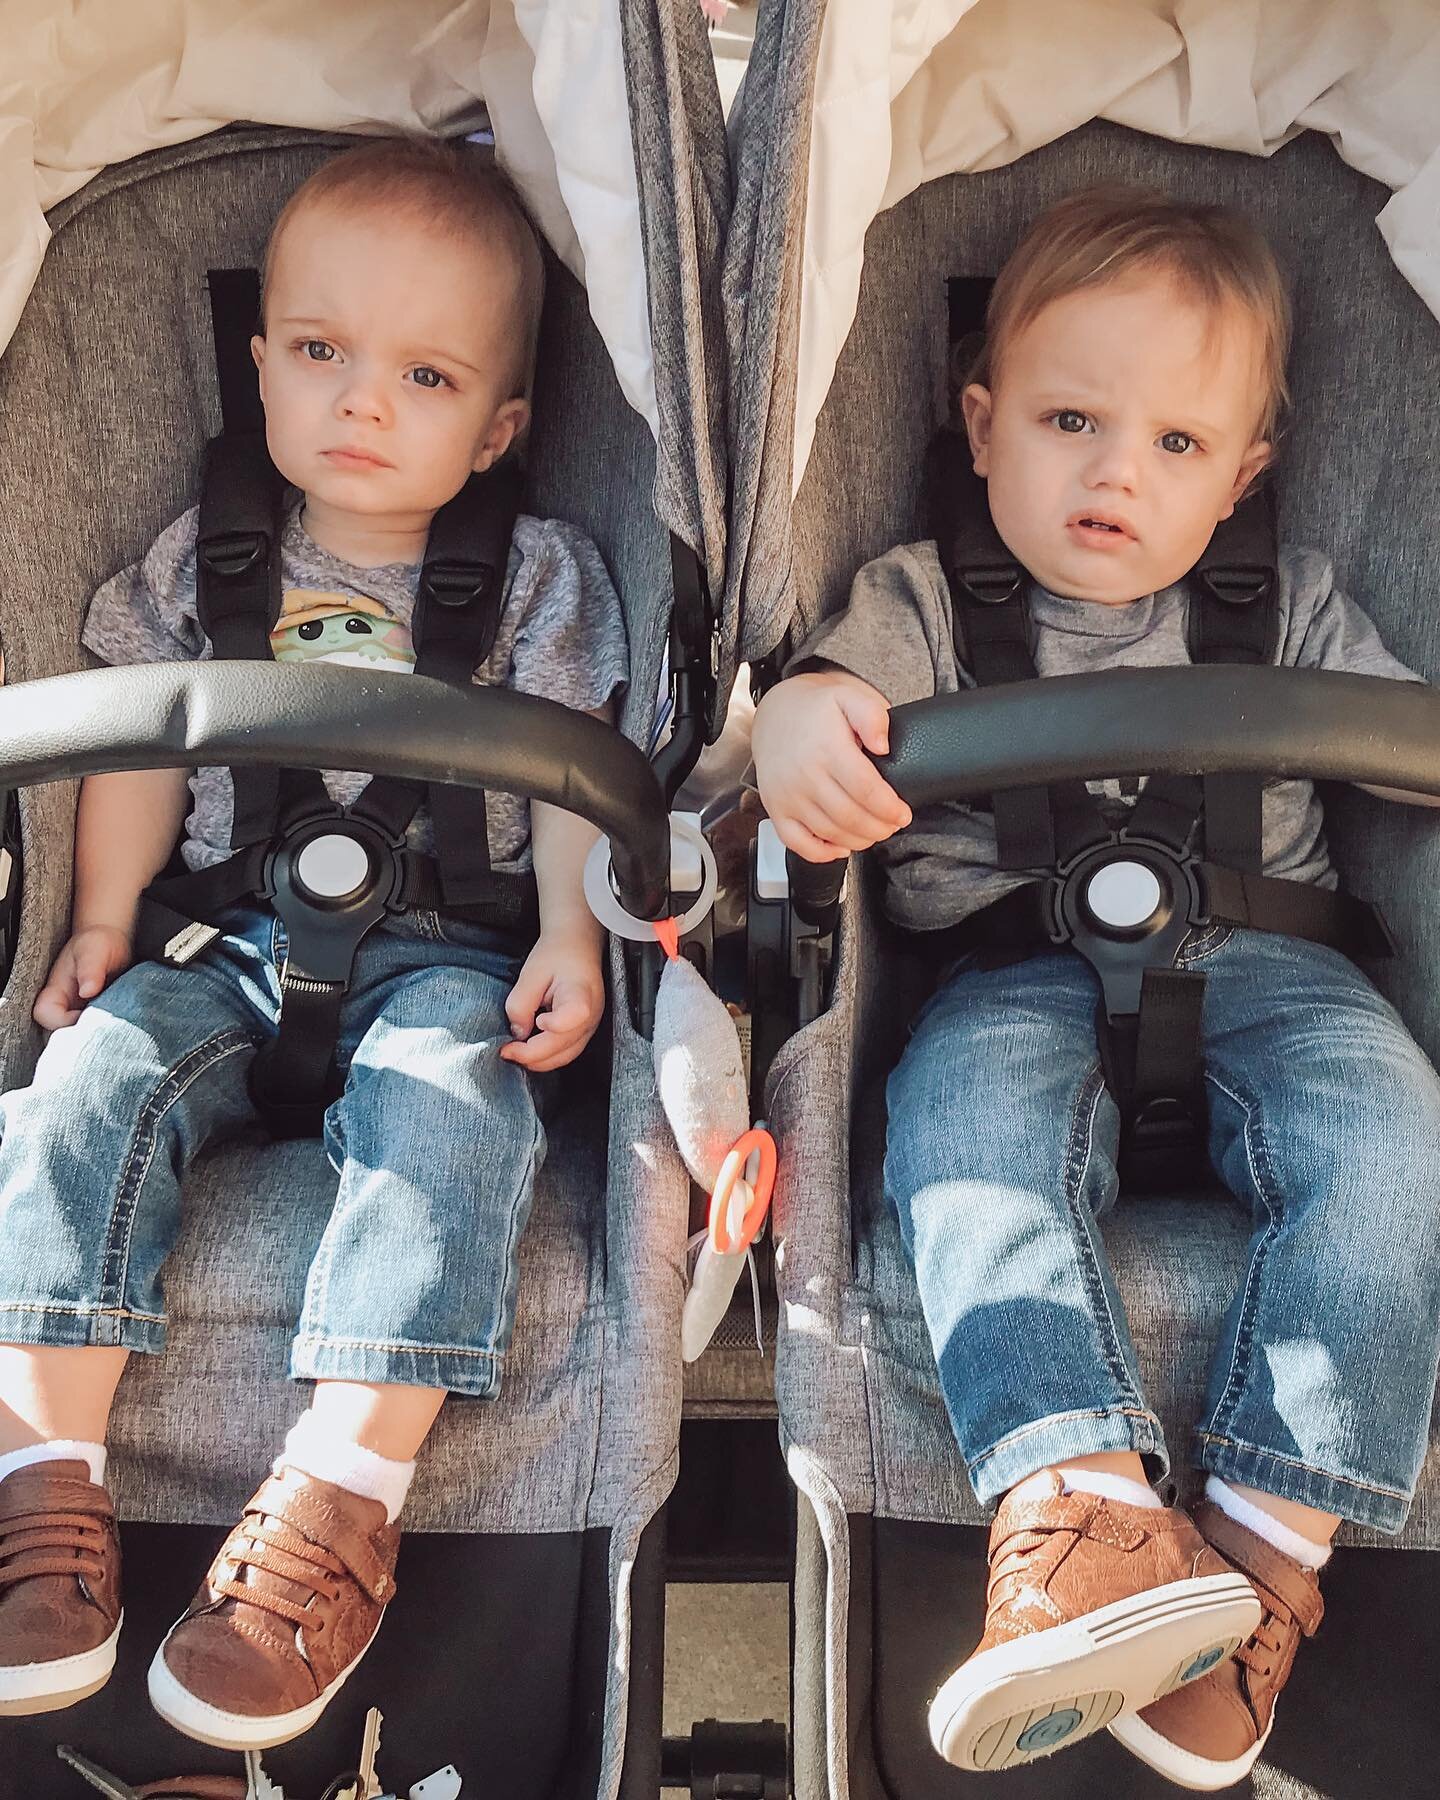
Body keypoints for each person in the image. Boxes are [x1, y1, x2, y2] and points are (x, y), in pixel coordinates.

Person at [751, 185, 1440, 1786]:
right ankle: (1080, 1509)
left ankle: (1269, 1546)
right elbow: (827, 702)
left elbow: (1405, 755)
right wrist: (800, 718)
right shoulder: (922, 598)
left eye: (1179, 447)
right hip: (1010, 971)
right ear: (981, 425)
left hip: (1277, 964)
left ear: (1245, 475)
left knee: (1398, 1137)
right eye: (1071, 419)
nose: (1118, 473)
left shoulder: (1297, 604)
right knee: (965, 1137)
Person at [0, 137, 627, 1748]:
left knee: (455, 1117)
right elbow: (133, 745)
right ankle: (40, 1477)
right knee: (79, 1094)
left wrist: (570, 926)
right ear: (262, 363)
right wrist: (96, 922)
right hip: (218, 940)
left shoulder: (541, 579)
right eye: (324, 354)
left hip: (447, 947)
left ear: (496, 429)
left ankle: (343, 1492)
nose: (362, 403)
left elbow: (570, 771)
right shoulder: (196, 564)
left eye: (422, 375)